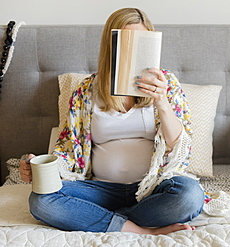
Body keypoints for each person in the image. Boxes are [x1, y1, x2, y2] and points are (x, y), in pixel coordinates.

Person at [18, 7, 204, 235]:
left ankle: (95, 218)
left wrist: (162, 102)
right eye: (126, 42)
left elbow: (180, 148)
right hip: (99, 190)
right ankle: (142, 230)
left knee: (190, 196)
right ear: (111, 45)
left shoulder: (167, 85)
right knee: (41, 199)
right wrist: (39, 166)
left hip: (152, 189)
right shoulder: (85, 91)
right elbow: (68, 151)